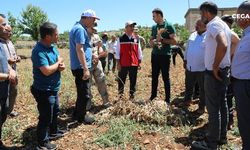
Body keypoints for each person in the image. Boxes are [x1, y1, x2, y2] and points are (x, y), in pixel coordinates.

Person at [192, 2, 231, 150]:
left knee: (214, 109)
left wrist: (214, 66)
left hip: (214, 73)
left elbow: (223, 44)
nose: (201, 17)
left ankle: (211, 143)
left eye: (202, 14)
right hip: (223, 70)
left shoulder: (214, 25)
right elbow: (232, 42)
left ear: (207, 13)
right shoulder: (224, 24)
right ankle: (221, 137)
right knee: (222, 105)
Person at [30, 22, 65, 150]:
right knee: (45, 116)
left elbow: (57, 61)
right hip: (43, 90)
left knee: (55, 111)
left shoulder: (52, 47)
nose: (58, 36)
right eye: (56, 34)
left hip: (53, 88)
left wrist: (61, 65)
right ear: (48, 36)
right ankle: (42, 142)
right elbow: (46, 71)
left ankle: (53, 132)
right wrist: (58, 63)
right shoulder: (38, 51)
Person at [69, 9, 99, 124]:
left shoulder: (78, 28)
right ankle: (81, 117)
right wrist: (85, 68)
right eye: (93, 19)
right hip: (81, 67)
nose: (94, 22)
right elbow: (79, 49)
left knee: (81, 92)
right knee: (85, 95)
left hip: (79, 66)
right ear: (87, 18)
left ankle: (77, 113)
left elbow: (83, 48)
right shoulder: (80, 29)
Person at [231, 1, 250, 149]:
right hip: (241, 83)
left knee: (245, 120)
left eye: (239, 14)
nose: (236, 18)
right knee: (243, 119)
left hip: (246, 85)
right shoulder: (245, 35)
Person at [149, 8, 177, 105]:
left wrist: (162, 40)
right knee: (154, 76)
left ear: (159, 15)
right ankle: (153, 96)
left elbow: (174, 41)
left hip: (165, 55)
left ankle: (168, 99)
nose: (152, 18)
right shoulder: (154, 27)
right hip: (155, 55)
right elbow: (151, 42)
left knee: (165, 77)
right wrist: (152, 41)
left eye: (154, 16)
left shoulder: (169, 26)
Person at [0, 13, 16, 150]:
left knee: (3, 111)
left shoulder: (3, 44)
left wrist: (11, 70)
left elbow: (5, 62)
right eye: (3, 24)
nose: (7, 27)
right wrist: (6, 76)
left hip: (3, 86)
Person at [221, 14, 240, 130]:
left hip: (230, 69)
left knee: (228, 96)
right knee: (225, 95)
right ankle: (226, 119)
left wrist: (230, 56)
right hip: (228, 69)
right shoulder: (227, 34)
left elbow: (237, 42)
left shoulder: (230, 34)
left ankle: (229, 120)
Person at [183, 19, 206, 114]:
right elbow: (187, 48)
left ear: (205, 26)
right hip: (190, 66)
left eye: (199, 24)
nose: (196, 26)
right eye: (196, 24)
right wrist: (185, 59)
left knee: (203, 89)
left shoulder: (209, 36)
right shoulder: (192, 35)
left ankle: (201, 106)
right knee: (188, 85)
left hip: (202, 68)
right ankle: (187, 100)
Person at [115, 21, 142, 100]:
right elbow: (117, 52)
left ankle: (132, 96)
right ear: (126, 28)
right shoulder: (120, 39)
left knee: (133, 80)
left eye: (133, 27)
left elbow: (139, 51)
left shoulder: (136, 39)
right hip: (123, 63)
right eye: (130, 26)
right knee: (121, 80)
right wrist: (118, 63)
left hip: (134, 63)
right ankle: (120, 97)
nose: (132, 28)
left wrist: (139, 61)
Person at [87, 25, 110, 110]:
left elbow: (100, 48)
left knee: (102, 81)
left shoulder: (96, 36)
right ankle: (88, 105)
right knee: (87, 85)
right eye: (92, 27)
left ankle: (106, 102)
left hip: (97, 62)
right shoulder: (84, 35)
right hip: (87, 63)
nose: (94, 29)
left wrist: (99, 55)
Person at [0, 24, 20, 117]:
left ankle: (9, 110)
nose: (10, 33)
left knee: (14, 91)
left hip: (13, 71)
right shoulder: (0, 44)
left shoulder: (10, 43)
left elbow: (14, 54)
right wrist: (9, 61)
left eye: (11, 32)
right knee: (5, 92)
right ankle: (4, 110)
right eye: (8, 31)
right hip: (4, 72)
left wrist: (17, 58)